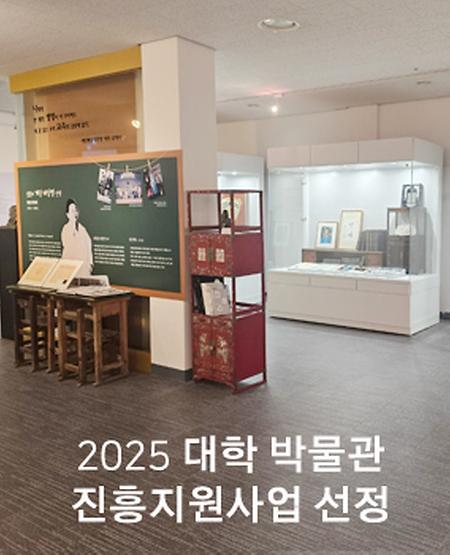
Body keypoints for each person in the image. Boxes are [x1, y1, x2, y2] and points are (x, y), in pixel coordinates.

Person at [61, 199, 93, 275]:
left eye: (75, 210)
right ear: (67, 214)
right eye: (72, 211)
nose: (74, 213)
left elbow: (88, 244)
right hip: (71, 266)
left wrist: (90, 263)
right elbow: (68, 246)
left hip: (84, 267)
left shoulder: (82, 229)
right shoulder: (66, 228)